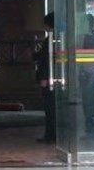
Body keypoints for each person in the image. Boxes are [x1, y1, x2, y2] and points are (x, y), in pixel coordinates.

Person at [34, 12, 56, 143]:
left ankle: (50, 134)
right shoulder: (59, 38)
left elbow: (45, 61)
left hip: (48, 79)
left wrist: (43, 77)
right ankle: (51, 134)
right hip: (52, 78)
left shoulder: (50, 40)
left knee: (49, 108)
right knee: (52, 108)